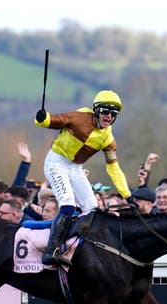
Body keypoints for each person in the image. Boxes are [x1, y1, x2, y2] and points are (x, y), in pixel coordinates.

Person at [34, 90, 132, 266]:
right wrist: (42, 118)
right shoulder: (79, 117)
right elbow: (51, 121)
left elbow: (114, 168)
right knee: (68, 204)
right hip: (56, 162)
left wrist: (126, 194)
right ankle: (51, 251)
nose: (109, 116)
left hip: (76, 168)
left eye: (113, 114)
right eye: (105, 111)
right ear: (96, 110)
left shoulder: (108, 138)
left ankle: (80, 247)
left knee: (92, 209)